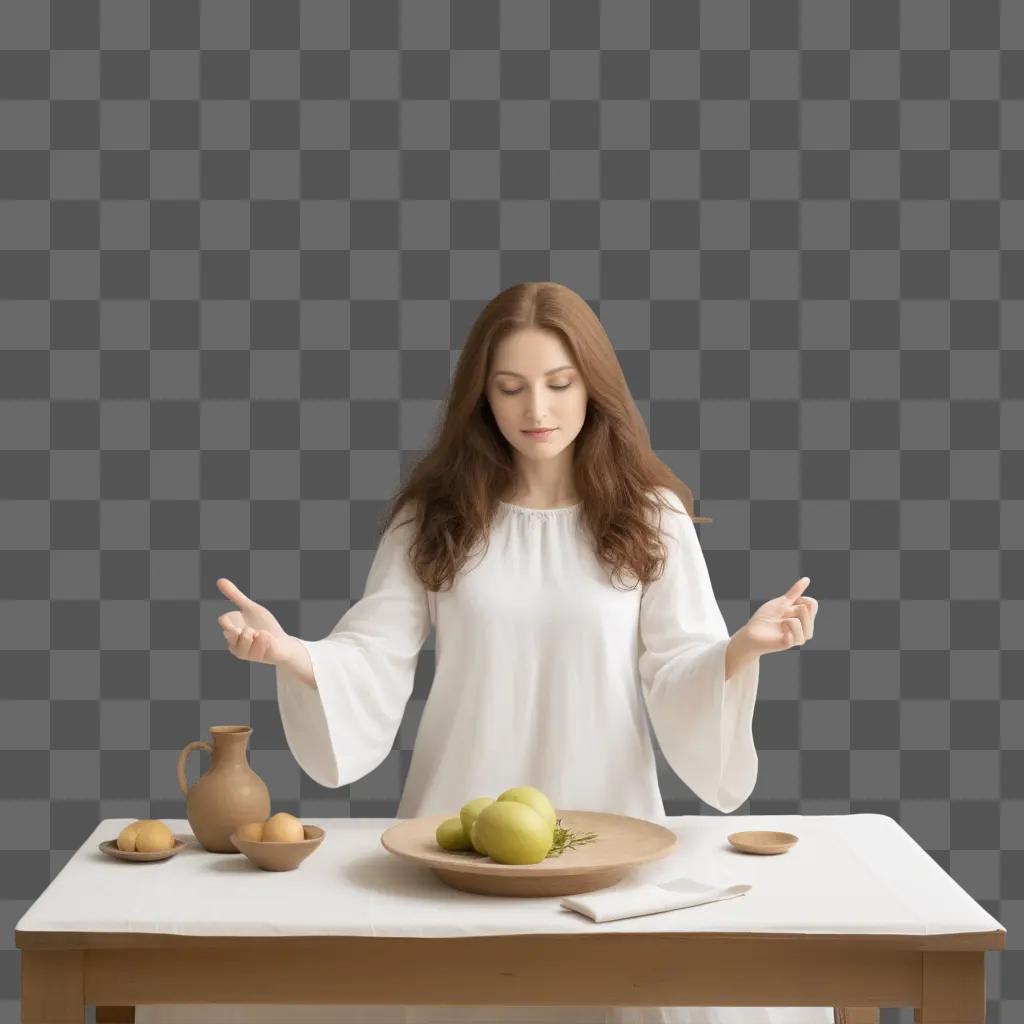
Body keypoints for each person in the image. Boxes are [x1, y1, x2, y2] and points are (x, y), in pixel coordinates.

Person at [138, 282, 827, 1024]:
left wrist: (743, 648)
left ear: (594, 388)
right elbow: (373, 650)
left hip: (609, 833)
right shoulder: (436, 514)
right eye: (511, 387)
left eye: (560, 384)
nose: (537, 410)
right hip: (453, 837)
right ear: (482, 397)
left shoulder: (650, 515)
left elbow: (680, 665)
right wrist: (292, 654)